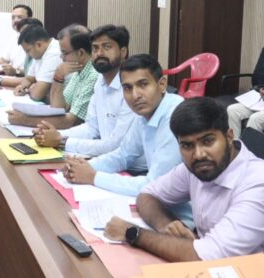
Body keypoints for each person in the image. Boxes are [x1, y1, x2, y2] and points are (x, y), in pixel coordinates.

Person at [104, 97, 264, 275]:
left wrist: (134, 233)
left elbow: (206, 257)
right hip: (219, 269)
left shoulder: (260, 185)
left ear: (229, 136)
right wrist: (165, 226)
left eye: (208, 141)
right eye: (187, 145)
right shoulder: (197, 167)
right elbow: (147, 195)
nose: (199, 154)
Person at [62, 55, 191, 222]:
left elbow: (153, 185)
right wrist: (84, 167)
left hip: (182, 219)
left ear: (162, 84)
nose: (135, 95)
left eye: (143, 85)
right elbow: (123, 154)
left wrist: (93, 177)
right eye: (127, 88)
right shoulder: (145, 113)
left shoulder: (175, 117)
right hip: (157, 207)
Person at [33, 25, 139, 161]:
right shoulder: (101, 82)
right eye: (95, 48)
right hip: (109, 160)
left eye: (107, 47)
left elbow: (115, 146)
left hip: (133, 167)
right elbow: (91, 128)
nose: (99, 53)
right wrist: (52, 134)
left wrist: (60, 140)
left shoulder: (130, 89)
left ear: (123, 52)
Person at [8, 24, 99, 128]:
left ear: (81, 53)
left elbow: (72, 122)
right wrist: (58, 76)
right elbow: (59, 109)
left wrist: (24, 120)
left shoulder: (94, 76)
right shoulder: (78, 72)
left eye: (64, 53)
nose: (62, 58)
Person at [0, 17, 43, 89]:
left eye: (19, 17)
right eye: (21, 34)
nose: (22, 36)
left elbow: (33, 80)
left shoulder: (39, 51)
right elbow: (29, 76)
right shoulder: (20, 43)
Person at [13, 25, 62, 103]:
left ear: (38, 45)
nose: (27, 55)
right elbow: (29, 79)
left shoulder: (54, 53)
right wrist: (21, 87)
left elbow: (37, 95)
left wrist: (30, 89)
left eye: (28, 51)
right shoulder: (40, 52)